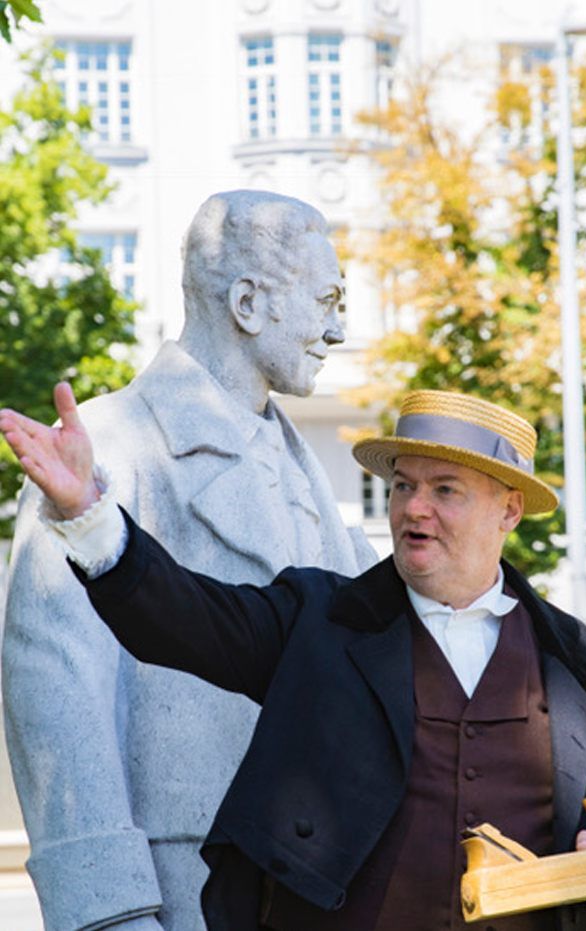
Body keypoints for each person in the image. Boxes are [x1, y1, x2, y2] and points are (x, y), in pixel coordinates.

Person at [0, 385, 586, 930]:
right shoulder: (319, 620)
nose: (414, 507)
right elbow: (185, 617)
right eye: (403, 485)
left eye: (445, 489)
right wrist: (89, 513)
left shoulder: (582, 667)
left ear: (508, 509)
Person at [2, 191, 377, 931]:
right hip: (181, 883)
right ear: (248, 302)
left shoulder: (302, 469)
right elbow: (55, 687)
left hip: (315, 884)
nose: (338, 328)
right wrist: (110, 912)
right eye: (327, 298)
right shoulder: (109, 444)